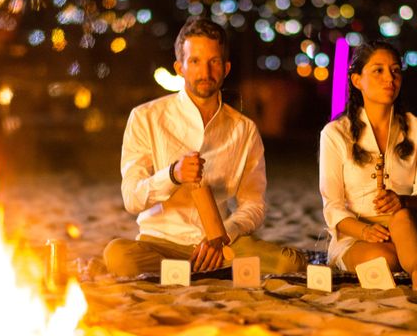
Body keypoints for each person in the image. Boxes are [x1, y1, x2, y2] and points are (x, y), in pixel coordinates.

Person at [104, 17, 307, 277]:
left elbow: (254, 205)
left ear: (226, 67)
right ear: (180, 67)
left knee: (288, 263)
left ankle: (188, 272)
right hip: (160, 243)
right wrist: (172, 175)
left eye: (214, 62)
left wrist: (224, 234)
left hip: (221, 244)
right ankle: (206, 273)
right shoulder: (145, 117)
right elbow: (132, 199)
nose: (206, 72)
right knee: (118, 256)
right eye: (195, 61)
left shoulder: (244, 130)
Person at [319, 41, 417, 288]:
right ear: (357, 80)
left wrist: (403, 201)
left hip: (409, 229)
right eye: (378, 70)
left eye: (395, 70)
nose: (390, 78)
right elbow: (332, 207)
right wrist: (365, 231)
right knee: (385, 258)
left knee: (403, 218)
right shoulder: (335, 133)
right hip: (357, 236)